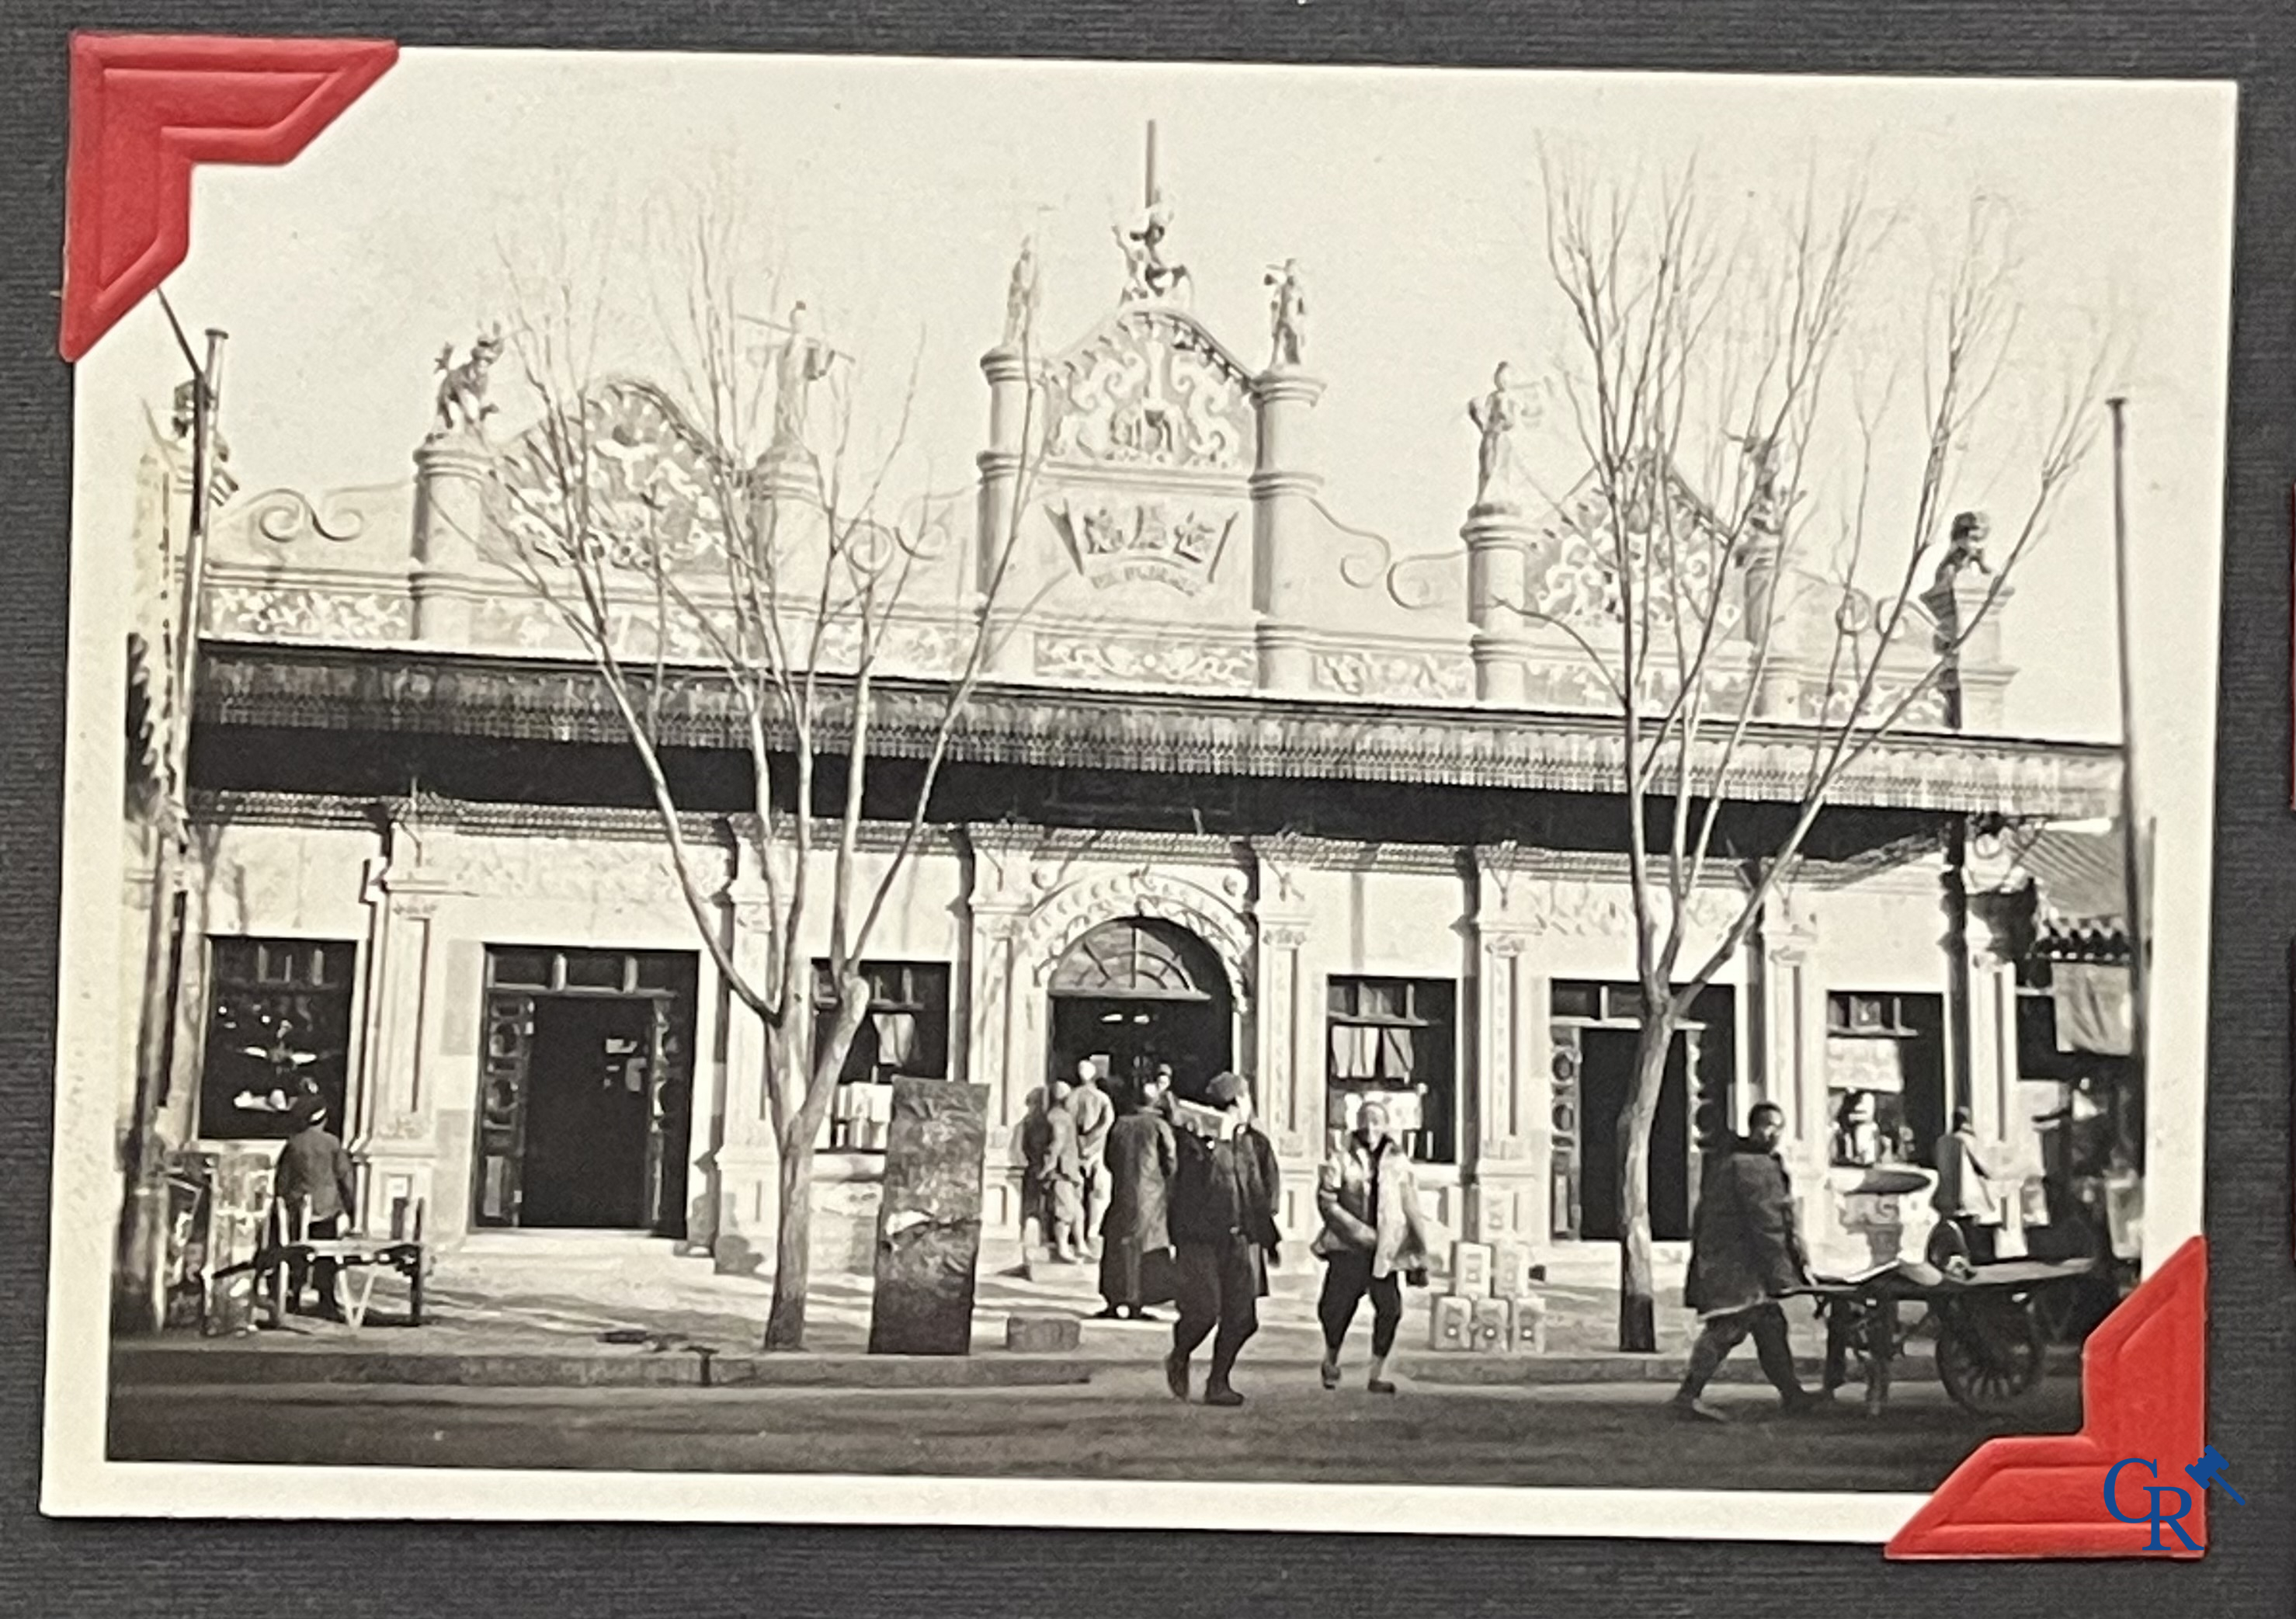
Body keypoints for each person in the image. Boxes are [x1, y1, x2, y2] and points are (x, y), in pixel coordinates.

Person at [1670, 1101, 1818, 1423]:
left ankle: (1792, 1394)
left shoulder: (1737, 1162)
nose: (1774, 1133)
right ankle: (1688, 1394)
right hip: (1738, 1266)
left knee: (1770, 1325)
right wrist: (1788, 1273)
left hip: (1736, 1263)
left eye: (1778, 1127)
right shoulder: (1751, 1166)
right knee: (1727, 1328)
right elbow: (1769, 1225)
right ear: (1754, 1127)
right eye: (1768, 1125)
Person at [1164, 1071, 1282, 1407]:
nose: (1245, 1108)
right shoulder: (1193, 1143)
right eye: (1241, 1102)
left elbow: (1267, 1191)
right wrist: (1216, 1144)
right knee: (1203, 1312)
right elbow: (1189, 1190)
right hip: (1200, 1240)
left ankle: (1219, 1381)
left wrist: (1269, 1238)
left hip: (1243, 1239)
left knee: (1243, 1318)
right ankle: (1180, 1354)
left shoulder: (1256, 1143)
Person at [1312, 1096, 1432, 1394]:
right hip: (1348, 1250)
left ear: (1387, 1125)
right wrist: (1359, 1232)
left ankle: (1376, 1373)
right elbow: (1327, 1201)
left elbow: (1411, 1208)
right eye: (1365, 1121)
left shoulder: (1399, 1162)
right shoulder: (1341, 1158)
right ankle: (1331, 1360)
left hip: (1385, 1252)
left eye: (1376, 1121)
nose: (1370, 1128)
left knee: (1389, 1310)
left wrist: (1420, 1255)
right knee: (1335, 1309)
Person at [1096, 1068, 1179, 1321]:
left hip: (1122, 1192)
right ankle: (1137, 1302)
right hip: (1151, 1197)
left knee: (1118, 1248)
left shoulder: (1120, 1125)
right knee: (1145, 1251)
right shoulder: (1159, 1126)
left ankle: (1115, 1299)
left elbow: (1108, 1159)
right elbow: (1171, 1161)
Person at [273, 1100, 357, 1319]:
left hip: (298, 1208)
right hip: (326, 1208)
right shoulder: (332, 1143)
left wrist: (284, 1202)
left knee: (296, 1251)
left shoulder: (294, 1143)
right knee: (326, 1254)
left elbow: (282, 1180)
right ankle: (326, 1298)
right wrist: (350, 1208)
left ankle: (294, 1294)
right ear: (323, 1120)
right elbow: (345, 1177)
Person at [1932, 1107, 2006, 1264]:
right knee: (1975, 1230)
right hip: (1968, 1194)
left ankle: (1959, 1256)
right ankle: (1979, 1258)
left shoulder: (1942, 1141)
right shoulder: (1967, 1140)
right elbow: (1985, 1167)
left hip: (1947, 1195)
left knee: (1955, 1229)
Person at [1020, 1079, 1084, 1262]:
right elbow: (1057, 1144)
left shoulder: (1057, 1116)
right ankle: (1063, 1249)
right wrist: (1048, 1167)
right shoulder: (1058, 1117)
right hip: (1061, 1171)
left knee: (1070, 1210)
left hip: (1066, 1170)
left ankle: (1074, 1246)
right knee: (1063, 1212)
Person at [1066, 1058, 1117, 1256]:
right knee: (1099, 1192)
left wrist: (1080, 1142)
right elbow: (1106, 1123)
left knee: (1076, 1191)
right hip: (1096, 1150)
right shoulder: (1102, 1098)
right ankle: (1091, 1232)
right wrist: (1091, 1141)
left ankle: (1077, 1235)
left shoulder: (1071, 1097)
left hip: (1076, 1149)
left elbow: (1067, 1124)